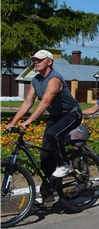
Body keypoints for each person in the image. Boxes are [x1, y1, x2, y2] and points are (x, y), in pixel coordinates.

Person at [6, 50, 83, 202]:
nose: (36, 62)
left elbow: (46, 102)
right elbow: (28, 102)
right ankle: (48, 192)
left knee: (53, 134)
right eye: (34, 60)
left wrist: (28, 121)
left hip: (72, 114)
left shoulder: (54, 79)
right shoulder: (35, 80)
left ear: (49, 62)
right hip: (55, 116)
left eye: (40, 60)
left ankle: (65, 165)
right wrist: (13, 122)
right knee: (45, 156)